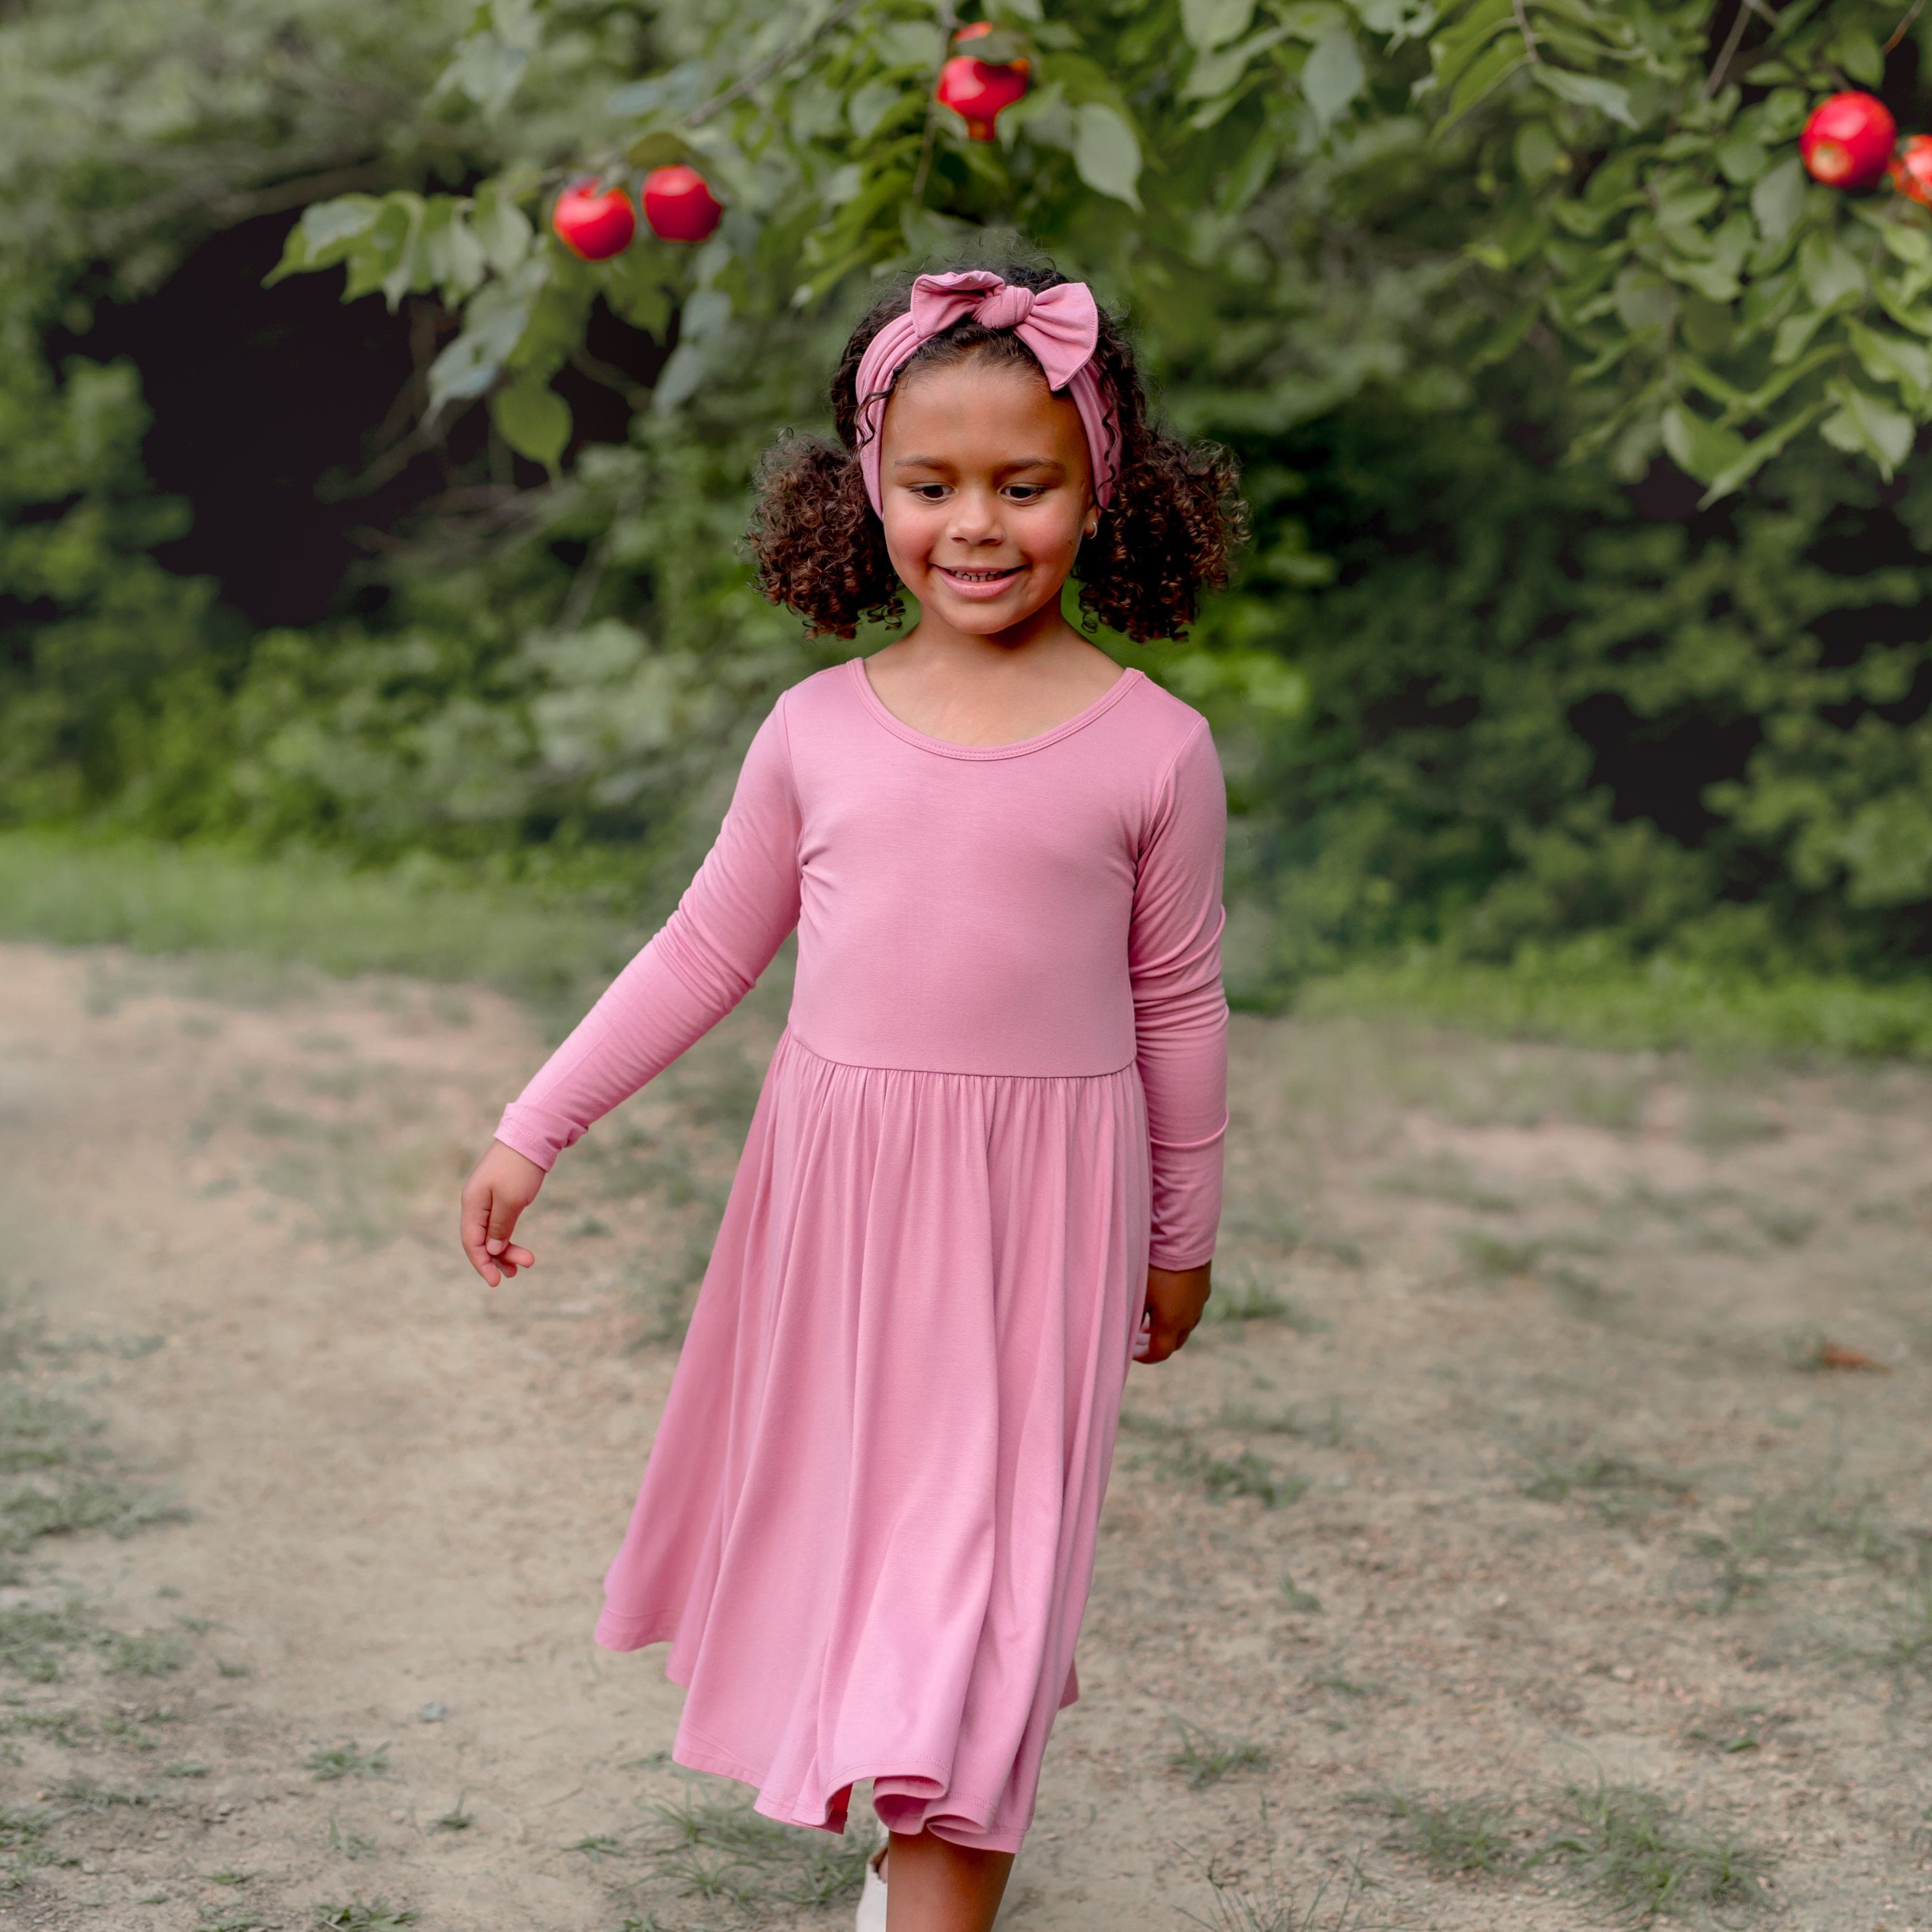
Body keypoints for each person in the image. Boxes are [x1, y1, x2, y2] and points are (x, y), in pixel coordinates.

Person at [459, 260, 1244, 1932]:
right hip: (845, 1211)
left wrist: (1181, 1237)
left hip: (1044, 1222)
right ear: (867, 490)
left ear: (1103, 491)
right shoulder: (817, 731)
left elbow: (1179, 1002)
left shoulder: (1154, 749)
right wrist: (539, 1123)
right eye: (932, 483)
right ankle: (908, 1821)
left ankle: (936, 1874)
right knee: (880, 1549)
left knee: (990, 1581)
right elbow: (701, 950)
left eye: (1025, 485)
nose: (978, 526)